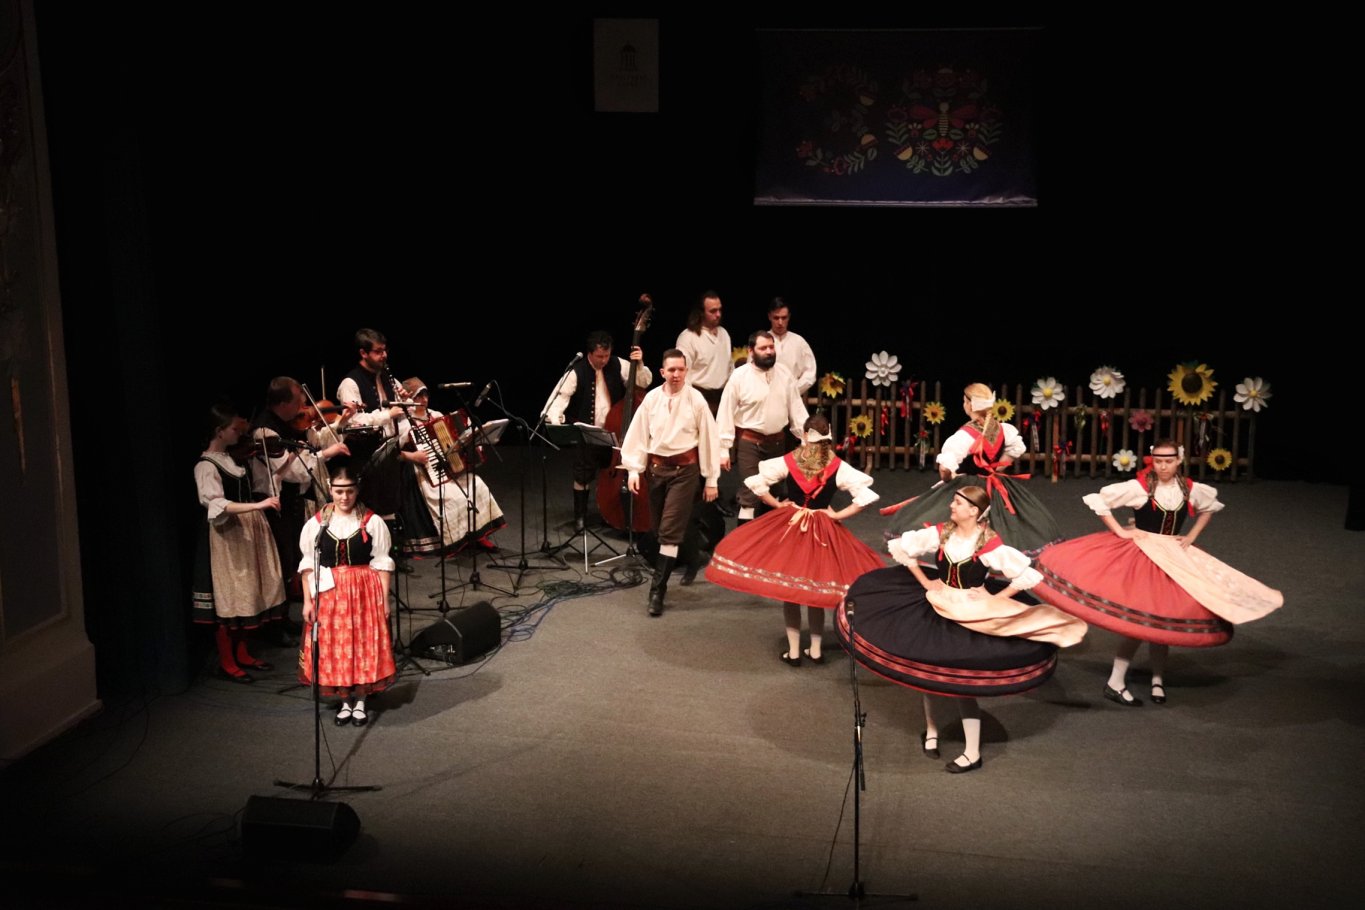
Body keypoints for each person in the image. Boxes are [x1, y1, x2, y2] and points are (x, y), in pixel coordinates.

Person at [840, 486, 1086, 773]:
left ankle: (972, 752)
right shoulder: (942, 532)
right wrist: (926, 581)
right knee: (927, 669)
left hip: (970, 609)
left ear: (974, 511)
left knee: (963, 687)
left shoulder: (988, 543)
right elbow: (903, 547)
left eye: (958, 503)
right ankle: (932, 730)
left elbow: (1025, 574)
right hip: (938, 603)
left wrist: (996, 599)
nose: (951, 506)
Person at [1032, 440, 1283, 707]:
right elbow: (1099, 501)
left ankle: (1157, 679)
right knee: (1139, 623)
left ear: (1179, 461)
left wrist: (1191, 536)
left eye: (1168, 461)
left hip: (1174, 556)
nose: (1163, 467)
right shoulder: (1141, 487)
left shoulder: (1188, 489)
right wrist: (1121, 532)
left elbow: (1209, 507)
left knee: (1163, 620)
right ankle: (1115, 682)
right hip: (1144, 555)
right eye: (1158, 462)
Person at [705, 414, 885, 665]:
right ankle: (816, 649)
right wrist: (836, 515)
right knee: (814, 590)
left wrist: (777, 505)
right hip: (822, 529)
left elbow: (757, 485)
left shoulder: (790, 460)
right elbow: (865, 498)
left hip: (792, 526)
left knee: (791, 591)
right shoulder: (837, 466)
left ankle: (794, 651)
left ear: (805, 435)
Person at [884, 382, 1060, 558]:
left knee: (939, 514)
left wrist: (949, 479)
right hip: (993, 481)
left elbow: (945, 467)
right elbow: (1013, 452)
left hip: (968, 485)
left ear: (969, 404)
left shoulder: (966, 434)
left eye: (964, 401)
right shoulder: (1001, 429)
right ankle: (994, 552)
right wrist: (992, 471)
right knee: (1002, 519)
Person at [620, 348, 722, 616]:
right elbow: (638, 435)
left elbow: (709, 439)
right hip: (656, 470)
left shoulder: (695, 400)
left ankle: (657, 591)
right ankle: (693, 556)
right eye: (672, 370)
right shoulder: (652, 399)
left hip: (685, 472)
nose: (676, 374)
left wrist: (711, 478)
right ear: (663, 372)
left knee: (668, 530)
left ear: (686, 371)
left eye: (681, 369)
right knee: (659, 529)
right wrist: (633, 469)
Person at [192, 401, 289, 683]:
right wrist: (257, 506)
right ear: (219, 431)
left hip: (248, 529)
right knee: (230, 597)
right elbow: (216, 504)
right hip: (226, 534)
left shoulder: (234, 459)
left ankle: (243, 653)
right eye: (235, 429)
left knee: (248, 592)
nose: (240, 433)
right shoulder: (205, 466)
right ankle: (226, 661)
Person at [298, 461, 397, 727]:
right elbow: (308, 565)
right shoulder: (317, 524)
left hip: (364, 591)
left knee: (362, 643)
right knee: (336, 646)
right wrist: (307, 601)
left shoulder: (371, 521)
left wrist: (384, 600)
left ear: (357, 490)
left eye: (350, 491)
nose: (344, 497)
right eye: (339, 491)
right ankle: (344, 700)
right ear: (330, 489)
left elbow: (382, 563)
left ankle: (361, 700)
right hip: (329, 594)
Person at [248, 377, 351, 623]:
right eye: (298, 403)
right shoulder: (266, 431)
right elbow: (294, 472)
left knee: (292, 556)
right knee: (281, 561)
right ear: (283, 404)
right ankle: (277, 622)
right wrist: (322, 454)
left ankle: (285, 617)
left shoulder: (289, 425)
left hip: (290, 500)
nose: (303, 409)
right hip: (273, 502)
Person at [541, 329, 650, 533]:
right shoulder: (576, 371)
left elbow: (643, 382)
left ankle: (618, 511)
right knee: (583, 473)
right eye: (599, 356)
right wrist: (555, 421)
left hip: (616, 432)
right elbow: (560, 399)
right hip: (589, 432)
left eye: (607, 355)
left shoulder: (617, 364)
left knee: (620, 471)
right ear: (589, 353)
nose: (604, 360)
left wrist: (640, 363)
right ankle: (580, 517)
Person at [396, 377, 505, 555]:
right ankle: (456, 538)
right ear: (408, 399)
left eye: (425, 395)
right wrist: (413, 456)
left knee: (476, 484)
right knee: (451, 497)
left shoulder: (435, 415)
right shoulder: (403, 424)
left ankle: (479, 535)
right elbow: (393, 453)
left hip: (449, 467)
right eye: (418, 396)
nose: (424, 400)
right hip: (425, 472)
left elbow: (453, 438)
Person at [717, 330, 809, 525]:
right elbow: (725, 411)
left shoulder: (784, 374)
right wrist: (723, 448)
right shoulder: (740, 376)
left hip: (777, 443)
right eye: (763, 348)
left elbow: (796, 408)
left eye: (771, 347)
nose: (769, 351)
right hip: (750, 443)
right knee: (750, 493)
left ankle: (768, 541)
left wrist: (805, 439)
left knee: (774, 494)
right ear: (751, 351)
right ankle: (744, 542)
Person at [336, 327, 412, 518]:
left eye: (385, 350)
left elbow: (406, 411)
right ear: (363, 353)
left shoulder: (388, 378)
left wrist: (406, 400)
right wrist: (388, 414)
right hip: (365, 458)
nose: (384, 355)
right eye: (378, 351)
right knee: (371, 513)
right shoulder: (350, 383)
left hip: (389, 454)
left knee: (392, 509)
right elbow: (354, 421)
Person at [675, 291, 731, 416]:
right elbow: (683, 375)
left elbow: (729, 368)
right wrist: (691, 404)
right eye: (713, 311)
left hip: (722, 400)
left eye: (719, 310)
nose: (718, 314)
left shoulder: (724, 334)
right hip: (700, 399)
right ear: (701, 312)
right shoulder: (688, 337)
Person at [767, 297, 817, 398]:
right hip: (767, 397)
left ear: (789, 317)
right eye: (776, 318)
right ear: (769, 317)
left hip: (793, 398)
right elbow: (752, 371)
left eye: (784, 318)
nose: (780, 322)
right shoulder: (761, 341)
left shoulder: (799, 342)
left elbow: (810, 372)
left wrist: (794, 390)